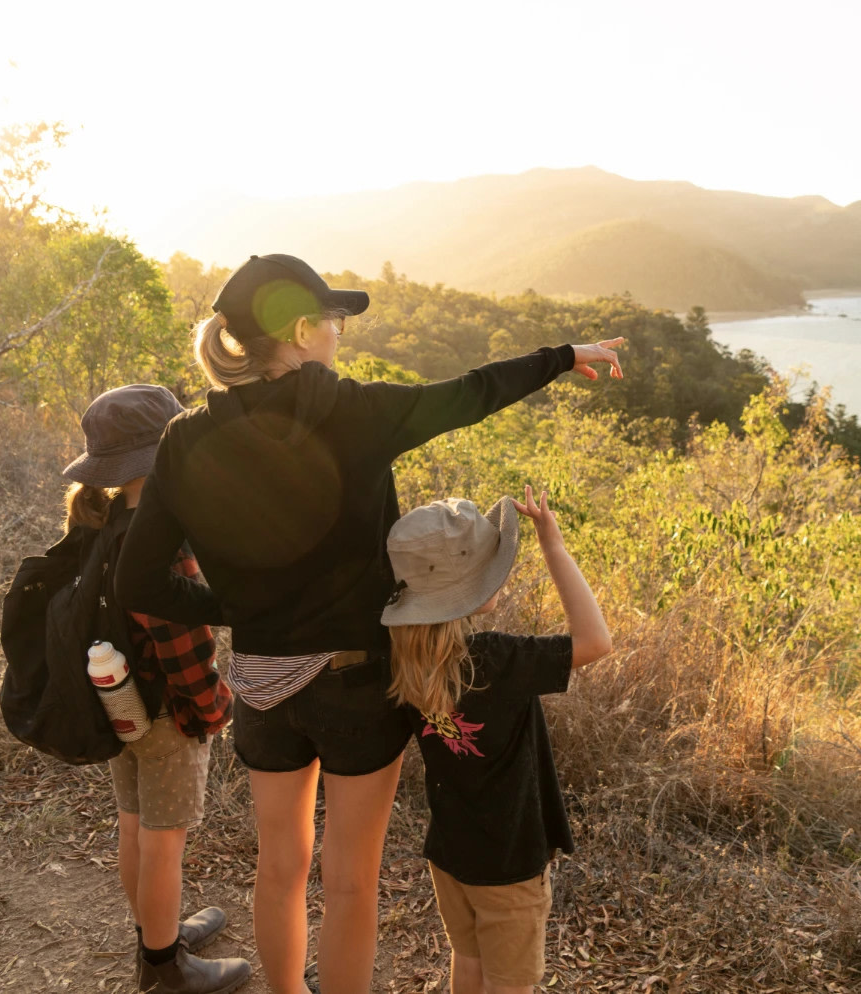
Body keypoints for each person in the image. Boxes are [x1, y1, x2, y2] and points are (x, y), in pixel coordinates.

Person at [114, 253, 623, 994]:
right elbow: (470, 394)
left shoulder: (185, 439)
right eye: (334, 319)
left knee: (279, 869)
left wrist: (234, 610)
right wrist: (564, 356)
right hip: (358, 681)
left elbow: (138, 578)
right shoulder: (355, 412)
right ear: (300, 329)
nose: (340, 332)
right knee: (351, 881)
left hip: (262, 683)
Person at [381, 487, 611, 994]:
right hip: (509, 865)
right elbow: (596, 641)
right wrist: (552, 543)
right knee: (509, 982)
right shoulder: (495, 660)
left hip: (450, 852)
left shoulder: (402, 662)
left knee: (469, 960)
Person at [61, 384, 250, 994]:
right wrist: (210, 708)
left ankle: (155, 934)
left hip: (120, 705)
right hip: (171, 712)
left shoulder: (105, 519)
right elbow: (182, 642)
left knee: (134, 825)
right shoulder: (164, 536)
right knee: (165, 843)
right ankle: (165, 968)